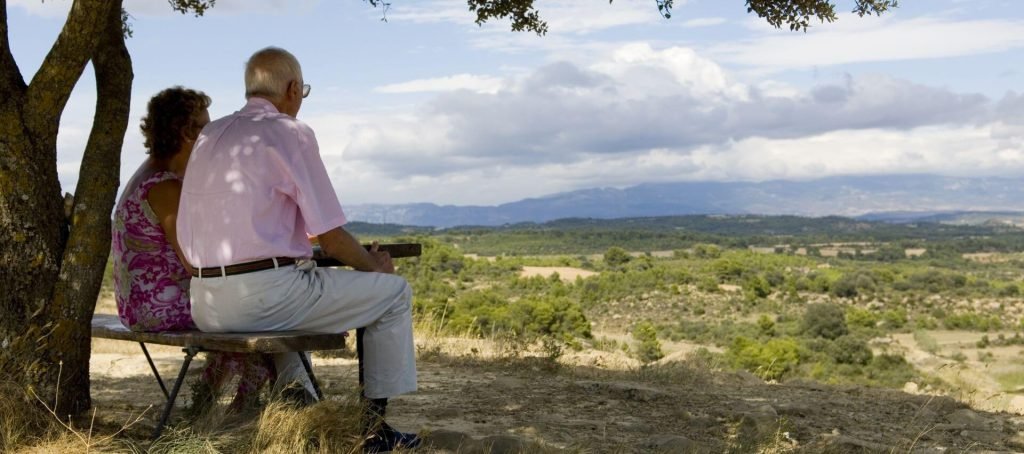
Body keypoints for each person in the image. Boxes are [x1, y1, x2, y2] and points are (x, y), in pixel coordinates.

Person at [177, 47, 420, 452]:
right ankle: (372, 431)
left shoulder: (211, 134)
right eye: (303, 90)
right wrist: (374, 266)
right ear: (292, 89)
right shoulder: (290, 133)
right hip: (263, 296)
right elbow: (331, 236)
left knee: (284, 309)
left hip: (205, 303)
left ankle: (305, 415)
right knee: (393, 295)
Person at [111, 87, 275, 412]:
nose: (212, 136)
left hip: (138, 304)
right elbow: (193, 262)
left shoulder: (149, 175)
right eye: (206, 126)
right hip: (158, 308)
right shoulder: (165, 186)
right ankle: (243, 412)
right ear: (187, 132)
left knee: (244, 305)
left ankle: (206, 409)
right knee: (257, 307)